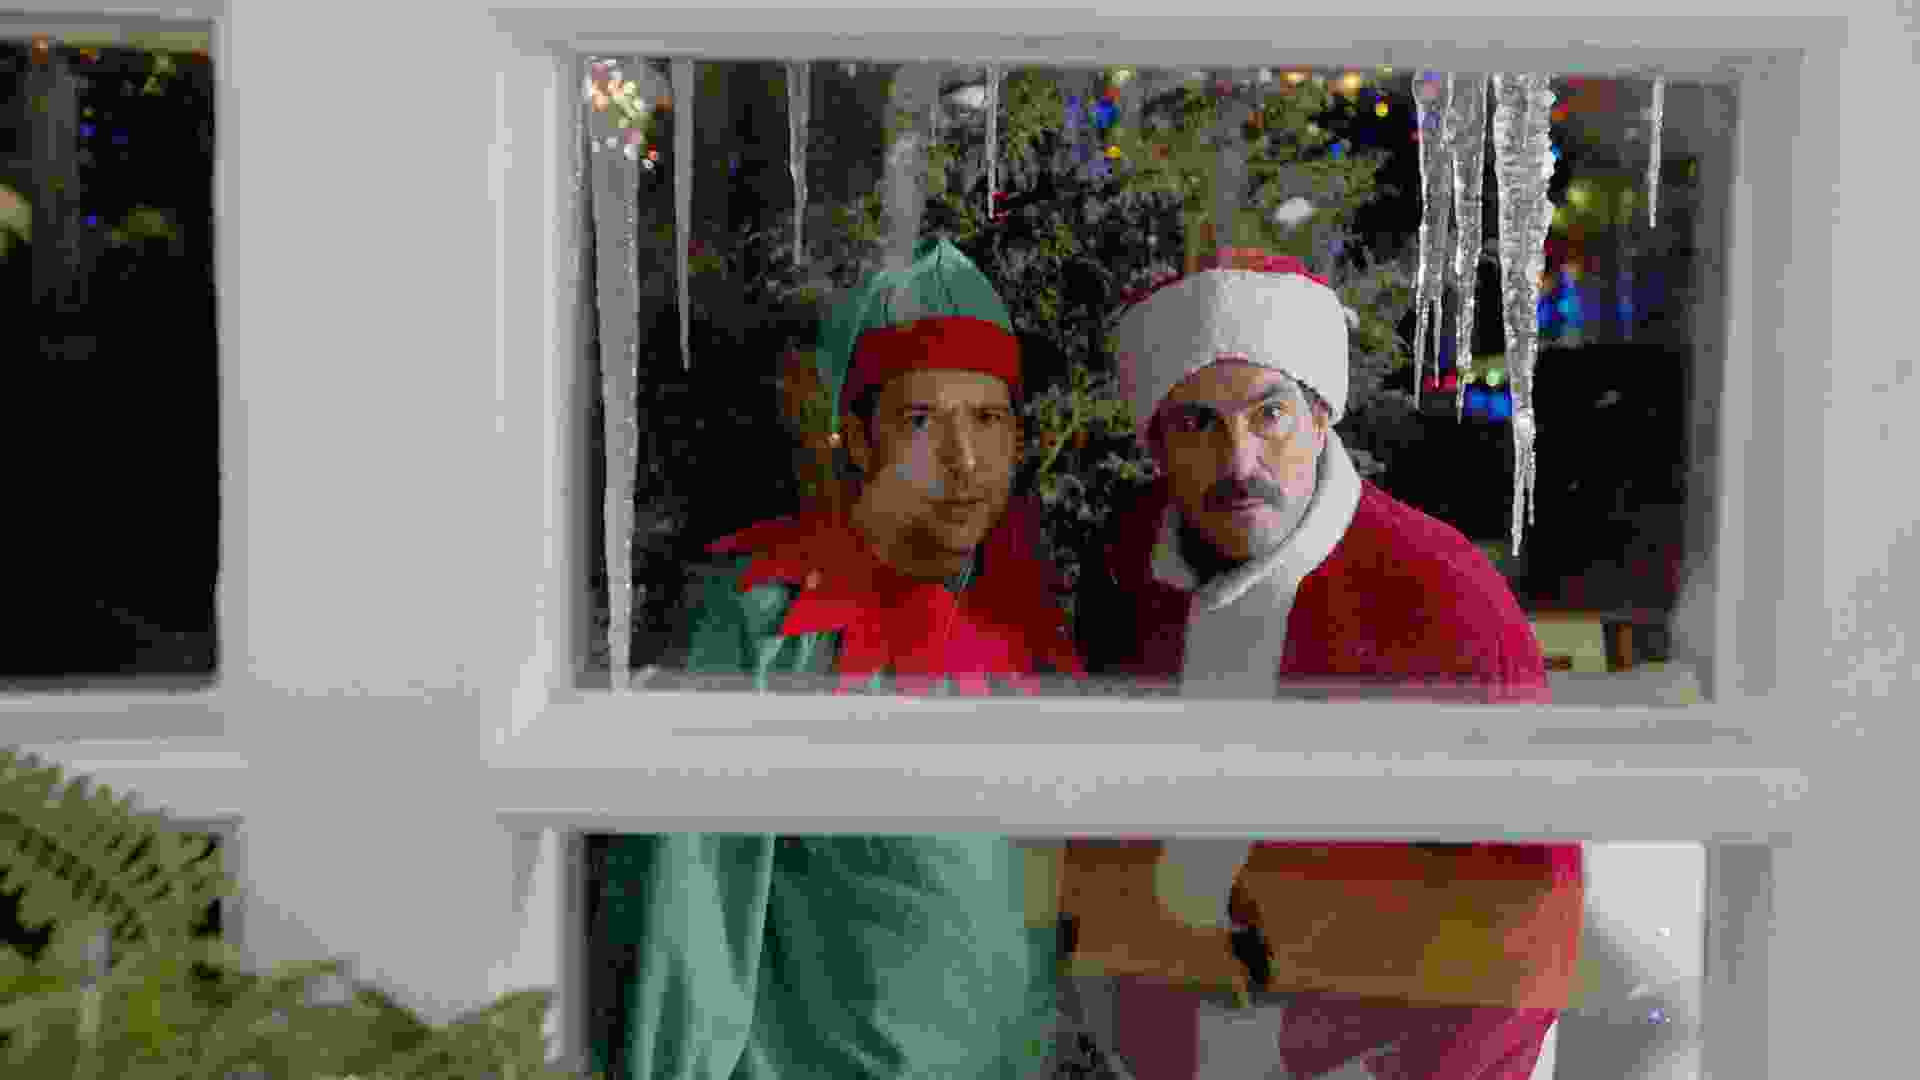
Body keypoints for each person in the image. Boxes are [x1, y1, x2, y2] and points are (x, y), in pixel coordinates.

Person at [1061, 248, 1584, 1079]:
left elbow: (1530, 914)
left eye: (1268, 414)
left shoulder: (1440, 594)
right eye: (1197, 424)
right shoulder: (1126, 570)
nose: (1239, 462)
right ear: (1156, 442)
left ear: (1319, 417)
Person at [587, 236, 1084, 1080]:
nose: (965, 461)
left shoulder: (1027, 635)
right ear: (859, 437)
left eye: (989, 419)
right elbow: (684, 935)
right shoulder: (761, 625)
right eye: (922, 422)